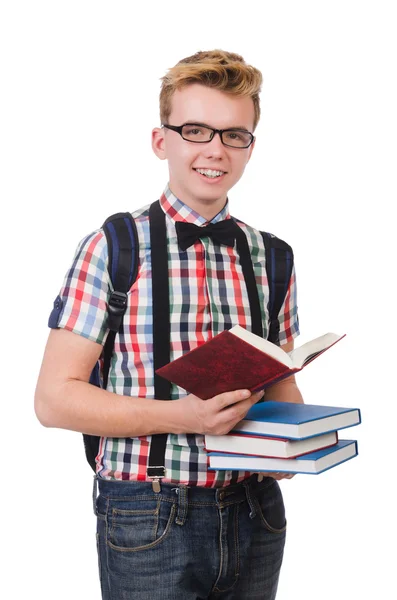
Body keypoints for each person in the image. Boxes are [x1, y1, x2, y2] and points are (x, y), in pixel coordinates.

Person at [35, 49, 303, 600]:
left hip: (257, 512)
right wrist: (180, 416)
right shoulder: (114, 246)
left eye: (235, 135)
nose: (215, 150)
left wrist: (296, 441)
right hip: (147, 511)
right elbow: (53, 400)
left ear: (251, 146)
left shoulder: (274, 256)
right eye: (196, 130)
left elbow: (282, 382)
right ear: (162, 142)